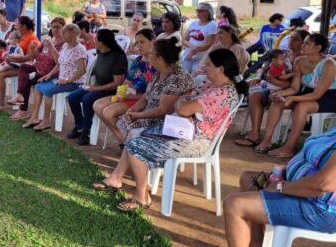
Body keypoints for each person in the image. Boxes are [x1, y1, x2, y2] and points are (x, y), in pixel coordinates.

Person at [202, 77, 336, 247]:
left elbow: (322, 185)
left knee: (235, 204)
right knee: (249, 179)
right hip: (308, 197)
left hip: (322, 210)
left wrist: (282, 187)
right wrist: (283, 175)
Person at [95, 49, 246, 212]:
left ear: (221, 69)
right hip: (182, 131)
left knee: (134, 146)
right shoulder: (212, 86)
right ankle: (117, 179)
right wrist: (184, 104)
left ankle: (141, 196)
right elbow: (183, 100)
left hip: (195, 141)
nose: (204, 68)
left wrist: (184, 105)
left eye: (208, 65)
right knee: (135, 136)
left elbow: (182, 108)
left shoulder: (222, 93)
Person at [254, 33, 336, 159]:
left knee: (301, 106)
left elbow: (318, 94)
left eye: (307, 43)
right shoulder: (299, 61)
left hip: (330, 96)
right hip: (308, 92)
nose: (303, 45)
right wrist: (281, 93)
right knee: (278, 102)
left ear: (317, 48)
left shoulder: (329, 64)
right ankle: (267, 141)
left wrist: (294, 98)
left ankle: (289, 146)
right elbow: (295, 88)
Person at [111, 37, 194, 149]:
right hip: (150, 116)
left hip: (165, 122)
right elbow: (146, 97)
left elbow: (163, 110)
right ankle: (133, 156)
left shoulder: (178, 77)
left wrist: (138, 115)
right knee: (124, 120)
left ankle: (137, 158)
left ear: (160, 59)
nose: (149, 56)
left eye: (151, 54)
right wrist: (133, 109)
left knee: (132, 126)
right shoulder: (159, 73)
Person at [235, 29, 309, 148]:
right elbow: (264, 67)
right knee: (254, 95)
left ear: (303, 43)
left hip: (290, 91)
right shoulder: (283, 53)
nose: (291, 41)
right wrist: (259, 76)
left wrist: (275, 82)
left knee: (269, 97)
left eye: (296, 39)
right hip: (274, 86)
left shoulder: (304, 60)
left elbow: (295, 83)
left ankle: (269, 138)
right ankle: (254, 135)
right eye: (291, 38)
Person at [93, 29, 159, 148]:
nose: (138, 45)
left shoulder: (157, 64)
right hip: (128, 95)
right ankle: (122, 138)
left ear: (153, 42)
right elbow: (127, 81)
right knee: (97, 105)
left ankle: (126, 140)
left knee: (108, 112)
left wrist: (129, 96)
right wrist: (120, 94)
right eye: (137, 42)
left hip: (141, 99)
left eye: (142, 42)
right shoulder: (138, 60)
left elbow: (153, 93)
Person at [22, 24, 87, 131]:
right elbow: (59, 64)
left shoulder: (80, 49)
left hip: (74, 82)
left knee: (48, 91)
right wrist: (48, 75)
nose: (64, 36)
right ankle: (34, 118)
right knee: (38, 87)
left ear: (74, 35)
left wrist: (67, 80)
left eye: (66, 34)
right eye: (64, 34)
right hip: (61, 79)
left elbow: (82, 70)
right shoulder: (65, 46)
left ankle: (46, 121)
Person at [67, 29, 127, 146]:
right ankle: (79, 127)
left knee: (87, 99)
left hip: (110, 90)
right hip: (97, 85)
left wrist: (95, 89)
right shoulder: (100, 51)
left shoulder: (117, 57)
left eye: (96, 39)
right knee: (73, 97)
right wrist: (91, 85)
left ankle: (86, 131)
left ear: (102, 42)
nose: (94, 40)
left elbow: (117, 83)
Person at [7, 17, 66, 120]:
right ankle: (20, 95)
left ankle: (22, 110)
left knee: (26, 80)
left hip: (50, 73)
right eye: (53, 27)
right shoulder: (48, 40)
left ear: (63, 28)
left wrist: (51, 46)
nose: (55, 29)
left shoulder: (64, 44)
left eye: (58, 27)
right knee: (24, 67)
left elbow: (59, 62)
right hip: (37, 68)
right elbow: (34, 55)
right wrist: (33, 49)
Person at [0, 16, 40, 110]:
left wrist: (12, 59)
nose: (15, 24)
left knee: (0, 75)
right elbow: (8, 47)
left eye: (17, 23)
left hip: (23, 66)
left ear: (24, 26)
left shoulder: (32, 38)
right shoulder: (18, 35)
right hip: (11, 63)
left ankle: (1, 103)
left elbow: (30, 57)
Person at [181, 2, 217, 72]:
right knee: (185, 75)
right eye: (197, 10)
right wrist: (192, 47)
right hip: (189, 55)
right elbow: (184, 40)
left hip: (201, 57)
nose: (198, 12)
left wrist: (194, 50)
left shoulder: (212, 25)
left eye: (201, 11)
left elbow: (210, 44)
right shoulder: (193, 23)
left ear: (208, 12)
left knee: (196, 77)